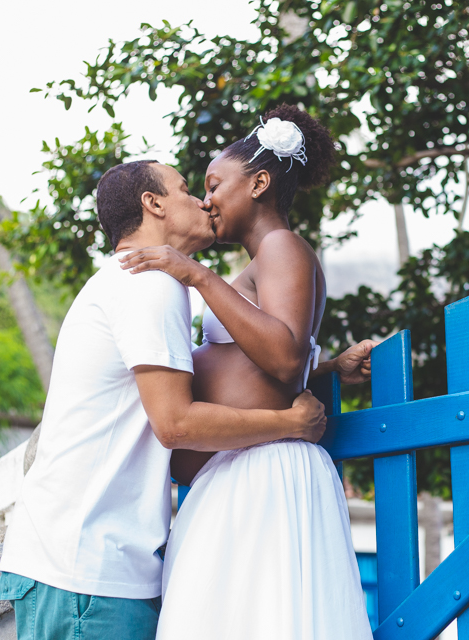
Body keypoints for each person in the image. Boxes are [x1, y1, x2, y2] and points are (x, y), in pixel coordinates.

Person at [0, 157, 365, 639]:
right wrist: (291, 424)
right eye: (189, 189)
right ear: (153, 204)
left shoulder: (149, 284)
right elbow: (176, 423)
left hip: (93, 565)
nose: (202, 201)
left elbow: (219, 374)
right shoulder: (146, 286)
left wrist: (326, 366)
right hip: (86, 571)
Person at [119, 105, 375, 639]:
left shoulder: (283, 247)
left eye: (214, 184)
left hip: (266, 468)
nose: (207, 198)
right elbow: (268, 361)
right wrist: (325, 368)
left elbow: (282, 355)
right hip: (236, 468)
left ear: (259, 183)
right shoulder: (255, 267)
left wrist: (195, 275)